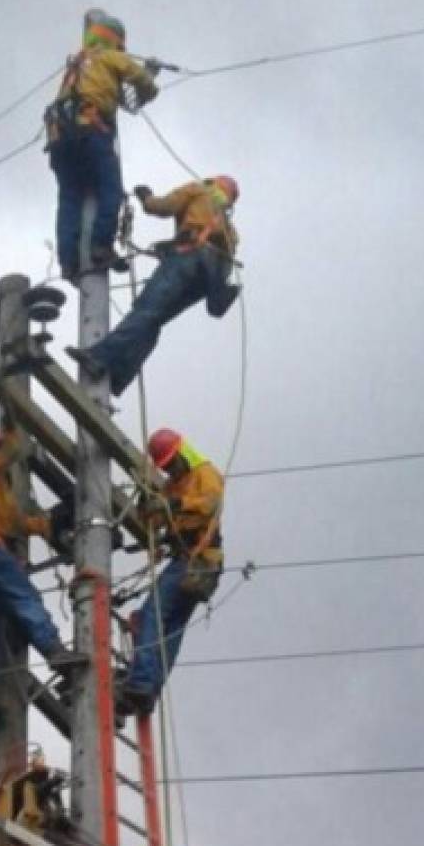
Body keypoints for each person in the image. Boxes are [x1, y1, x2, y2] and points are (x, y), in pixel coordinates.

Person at [0, 424, 86, 733]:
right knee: (25, 598)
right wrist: (14, 425)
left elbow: (17, 524)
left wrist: (48, 525)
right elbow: (8, 454)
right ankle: (55, 650)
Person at [66, 175, 241, 396]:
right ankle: (119, 373)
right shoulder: (226, 226)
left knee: (147, 311)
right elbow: (226, 254)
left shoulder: (198, 190)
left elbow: (163, 207)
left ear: (212, 183)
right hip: (206, 280)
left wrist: (146, 197)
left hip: (188, 258)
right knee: (154, 320)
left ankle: (99, 357)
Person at [46, 9, 159, 280]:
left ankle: (68, 262)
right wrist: (150, 73)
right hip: (92, 133)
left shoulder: (77, 64)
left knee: (70, 198)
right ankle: (100, 246)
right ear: (117, 41)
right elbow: (144, 88)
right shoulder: (111, 57)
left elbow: (116, 95)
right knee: (111, 190)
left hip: (60, 140)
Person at [118, 428, 224, 716]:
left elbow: (210, 505)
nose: (169, 469)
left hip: (196, 559)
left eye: (170, 463)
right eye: (164, 466)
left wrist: (175, 504)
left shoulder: (205, 473)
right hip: (187, 560)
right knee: (170, 629)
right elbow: (152, 521)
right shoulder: (171, 486)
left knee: (151, 615)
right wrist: (146, 502)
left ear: (181, 453)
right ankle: (149, 689)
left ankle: (141, 681)